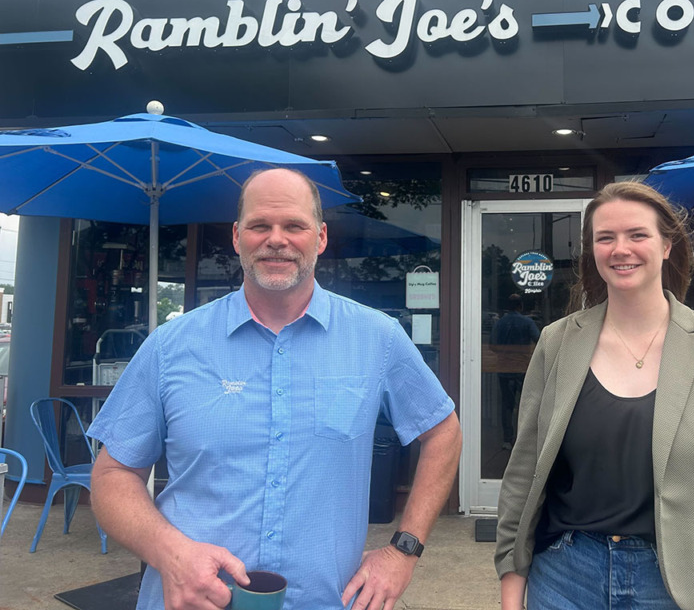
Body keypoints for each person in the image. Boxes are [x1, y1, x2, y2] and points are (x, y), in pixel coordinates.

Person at [88, 168, 462, 610]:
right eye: (260, 226)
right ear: (236, 237)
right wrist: (169, 554)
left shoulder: (377, 338)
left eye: (294, 226)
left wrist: (404, 551)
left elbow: (443, 432)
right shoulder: (171, 346)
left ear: (320, 237)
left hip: (325, 600)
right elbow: (112, 476)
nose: (276, 239)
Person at [495, 181, 694, 610]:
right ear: (592, 250)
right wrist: (512, 580)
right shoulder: (557, 343)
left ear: (667, 244)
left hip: (675, 585)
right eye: (605, 238)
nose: (620, 249)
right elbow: (524, 472)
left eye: (637, 235)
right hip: (564, 575)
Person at [490, 294, 540, 449]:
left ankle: (507, 439)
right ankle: (525, 441)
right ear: (520, 306)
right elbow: (539, 340)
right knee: (527, 404)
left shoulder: (500, 323)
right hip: (522, 368)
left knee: (507, 405)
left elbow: (492, 345)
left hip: (504, 368)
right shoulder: (527, 322)